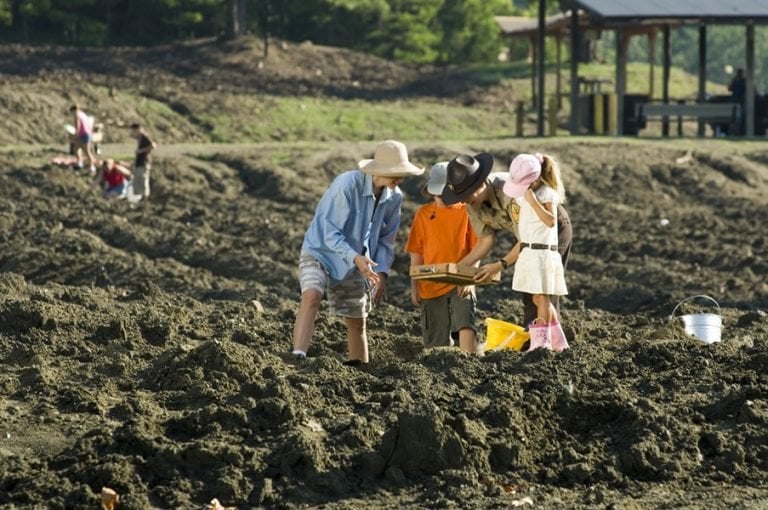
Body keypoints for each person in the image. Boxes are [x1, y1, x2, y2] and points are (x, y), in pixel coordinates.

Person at [291, 140, 424, 365]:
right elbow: (328, 231)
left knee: (357, 319)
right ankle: (297, 356)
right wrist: (355, 257)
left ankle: (360, 369)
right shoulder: (347, 184)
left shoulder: (395, 197)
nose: (401, 179)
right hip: (321, 251)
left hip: (357, 259)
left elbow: (386, 240)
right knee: (312, 295)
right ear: (380, 170)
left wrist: (381, 272)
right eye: (397, 173)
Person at [440, 152, 572, 336]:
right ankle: (549, 341)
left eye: (466, 195)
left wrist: (500, 264)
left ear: (480, 184)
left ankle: (541, 345)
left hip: (548, 230)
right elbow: (486, 240)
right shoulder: (471, 203)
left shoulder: (510, 192)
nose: (464, 201)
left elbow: (526, 240)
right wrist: (461, 271)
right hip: (525, 236)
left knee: (540, 291)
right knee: (532, 290)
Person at [405, 162, 480, 354]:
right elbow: (416, 251)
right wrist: (414, 285)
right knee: (435, 345)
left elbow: (477, 248)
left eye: (445, 194)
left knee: (466, 324)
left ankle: (470, 363)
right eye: (437, 194)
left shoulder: (467, 211)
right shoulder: (423, 214)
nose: (440, 199)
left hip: (461, 280)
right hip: (429, 282)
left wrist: (469, 279)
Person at [502, 153, 569, 352]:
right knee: (537, 298)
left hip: (542, 253)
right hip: (530, 251)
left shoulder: (547, 193)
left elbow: (550, 221)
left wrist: (533, 203)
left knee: (542, 299)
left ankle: (542, 343)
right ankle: (558, 342)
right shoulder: (525, 195)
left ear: (535, 179)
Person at [130, 123, 156, 200]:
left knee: (143, 179)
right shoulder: (140, 138)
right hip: (139, 162)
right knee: (138, 179)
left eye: (134, 131)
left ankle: (145, 197)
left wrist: (141, 151)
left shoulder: (145, 137)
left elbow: (153, 145)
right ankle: (140, 196)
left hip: (144, 162)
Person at [69, 104, 96, 174]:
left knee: (86, 151)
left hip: (83, 134)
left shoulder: (76, 115)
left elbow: (77, 126)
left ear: (73, 111)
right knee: (77, 148)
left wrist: (76, 135)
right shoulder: (83, 114)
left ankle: (91, 166)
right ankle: (80, 163)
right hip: (88, 134)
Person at [728, 68, 747, 134]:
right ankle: (734, 131)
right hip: (736, 101)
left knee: (740, 118)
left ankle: (738, 131)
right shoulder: (736, 80)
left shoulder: (744, 81)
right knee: (735, 118)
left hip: (740, 102)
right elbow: (729, 89)